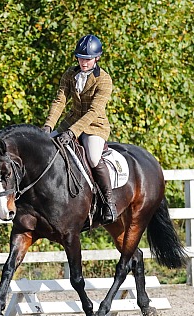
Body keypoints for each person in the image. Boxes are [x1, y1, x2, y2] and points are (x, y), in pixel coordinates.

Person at [42, 34, 117, 224]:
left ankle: (108, 202)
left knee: (92, 157)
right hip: (70, 122)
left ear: (97, 58)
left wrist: (72, 132)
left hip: (95, 126)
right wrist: (48, 125)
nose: (84, 62)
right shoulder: (70, 74)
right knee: (46, 148)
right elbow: (60, 101)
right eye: (81, 58)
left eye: (88, 59)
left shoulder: (104, 80)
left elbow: (94, 111)